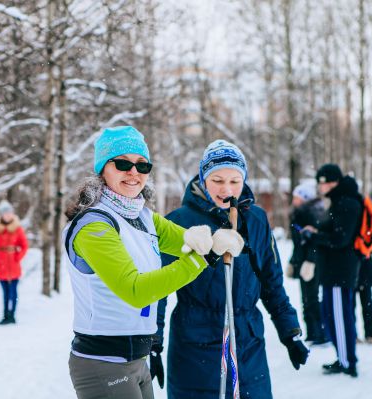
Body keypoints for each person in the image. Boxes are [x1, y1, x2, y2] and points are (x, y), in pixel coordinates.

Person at [62, 126, 243, 399]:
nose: (134, 173)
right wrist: (204, 259)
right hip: (103, 363)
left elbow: (186, 241)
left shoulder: (144, 216)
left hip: (136, 358)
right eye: (122, 163)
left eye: (142, 165)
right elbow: (136, 291)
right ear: (102, 169)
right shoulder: (94, 226)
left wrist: (214, 240)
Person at [155, 139, 308, 398]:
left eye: (234, 181)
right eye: (217, 180)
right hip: (195, 346)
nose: (226, 189)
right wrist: (152, 342)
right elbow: (157, 288)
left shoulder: (256, 219)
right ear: (203, 179)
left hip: (247, 344)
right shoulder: (180, 222)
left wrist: (289, 331)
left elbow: (271, 282)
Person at [301, 163, 363, 377]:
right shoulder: (340, 200)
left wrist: (314, 236)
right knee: (330, 315)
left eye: (324, 182)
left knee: (338, 317)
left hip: (340, 271)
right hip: (333, 270)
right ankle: (343, 357)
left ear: (334, 182)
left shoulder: (346, 202)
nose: (322, 186)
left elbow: (340, 238)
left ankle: (347, 362)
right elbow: (335, 232)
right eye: (319, 182)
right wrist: (317, 231)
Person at [286, 182, 328, 345]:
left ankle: (319, 333)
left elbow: (314, 242)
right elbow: (299, 243)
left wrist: (311, 261)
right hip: (302, 260)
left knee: (311, 298)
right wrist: (293, 261)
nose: (294, 200)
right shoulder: (298, 214)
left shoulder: (312, 214)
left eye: (297, 197)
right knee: (306, 298)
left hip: (312, 263)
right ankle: (312, 332)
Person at [0, 200, 28, 325]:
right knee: (5, 292)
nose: (8, 215)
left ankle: (12, 315)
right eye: (5, 213)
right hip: (1, 265)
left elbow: (24, 245)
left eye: (9, 213)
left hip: (14, 264)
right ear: (1, 215)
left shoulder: (17, 229)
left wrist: (17, 257)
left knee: (13, 292)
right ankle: (5, 315)